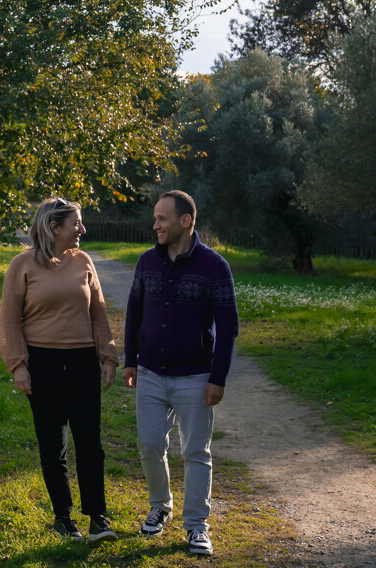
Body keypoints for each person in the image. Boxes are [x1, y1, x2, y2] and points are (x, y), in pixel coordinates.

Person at [122, 190, 239, 557]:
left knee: (196, 452)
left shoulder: (214, 267)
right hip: (150, 373)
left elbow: (228, 326)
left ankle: (196, 527)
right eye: (155, 218)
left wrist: (217, 377)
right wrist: (130, 361)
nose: (154, 224)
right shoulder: (146, 263)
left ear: (185, 221)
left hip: (195, 377)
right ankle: (160, 506)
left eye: (161, 219)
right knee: (150, 444)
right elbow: (133, 314)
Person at [0, 197, 120, 543]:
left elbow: (98, 313)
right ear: (54, 228)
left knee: (90, 442)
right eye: (76, 224)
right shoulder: (22, 265)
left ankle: (98, 517)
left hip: (83, 363)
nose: (82, 229)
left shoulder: (83, 261)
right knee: (54, 446)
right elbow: (9, 322)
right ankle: (64, 518)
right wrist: (19, 366)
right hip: (43, 365)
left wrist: (108, 356)